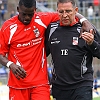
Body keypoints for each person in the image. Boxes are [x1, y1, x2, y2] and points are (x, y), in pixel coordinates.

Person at [0, 0, 95, 100]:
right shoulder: (8, 28)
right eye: (24, 14)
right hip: (17, 85)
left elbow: (66, 13)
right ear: (18, 10)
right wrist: (10, 64)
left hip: (40, 84)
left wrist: (84, 21)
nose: (27, 18)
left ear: (35, 10)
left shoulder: (42, 19)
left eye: (30, 14)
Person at [45, 0, 100, 100]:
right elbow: (42, 55)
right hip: (59, 88)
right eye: (61, 12)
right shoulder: (51, 29)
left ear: (76, 11)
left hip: (82, 86)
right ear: (57, 11)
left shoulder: (87, 29)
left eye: (68, 11)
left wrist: (92, 43)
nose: (65, 15)